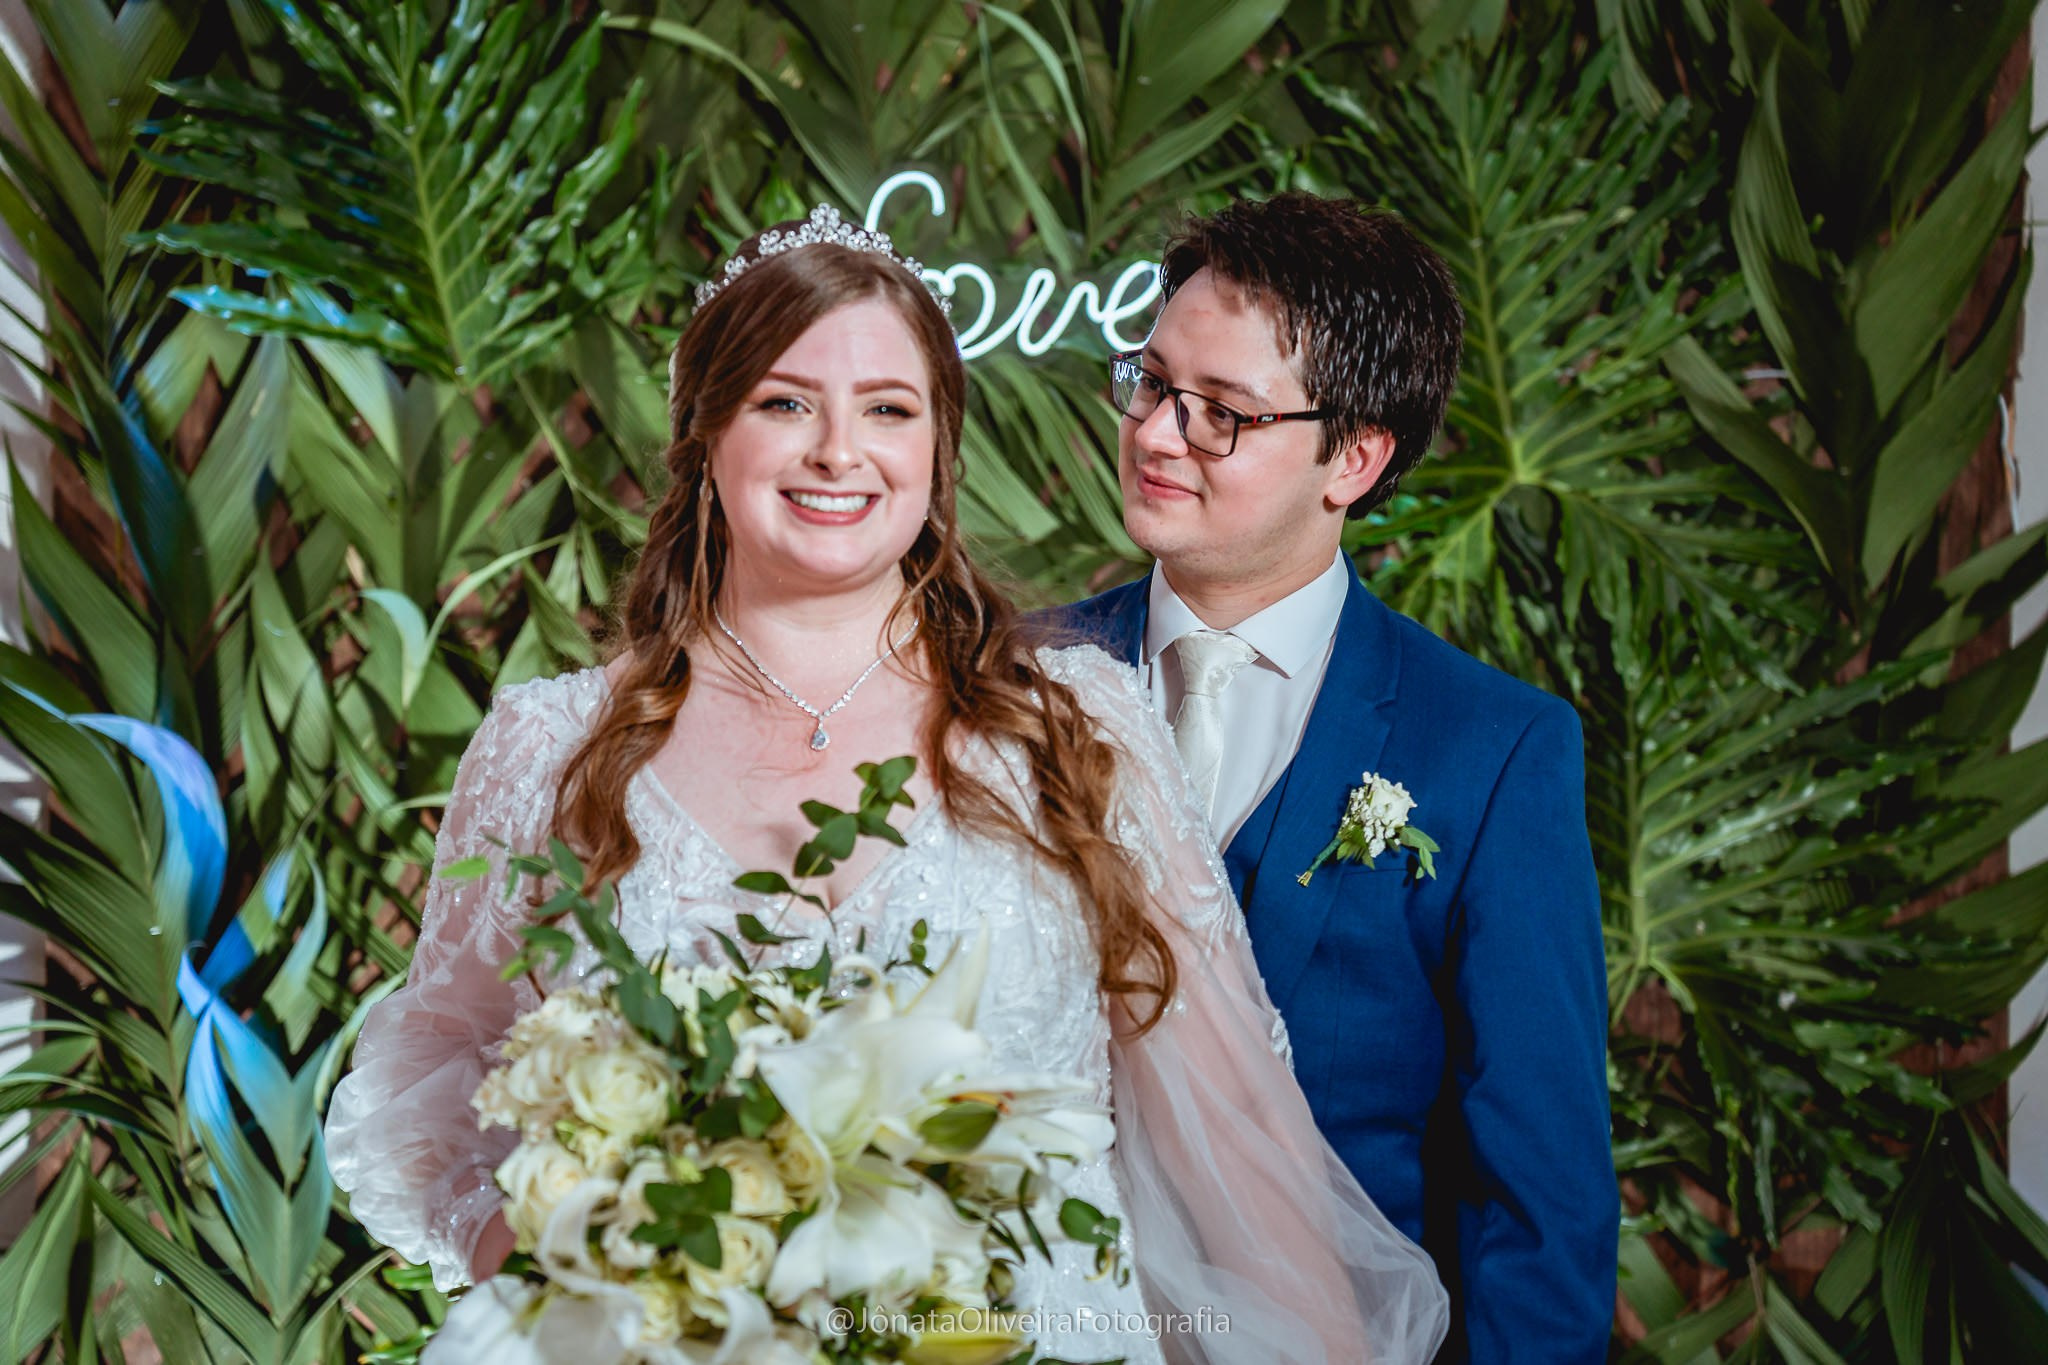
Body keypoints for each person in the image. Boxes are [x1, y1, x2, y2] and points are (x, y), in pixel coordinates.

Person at [324, 206, 1448, 1364]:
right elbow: (434, 1071)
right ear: (705, 434)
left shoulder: (1075, 730)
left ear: (935, 451)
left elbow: (1238, 1137)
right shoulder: (548, 750)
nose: (835, 451)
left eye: (887, 410)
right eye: (784, 402)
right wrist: (600, 1263)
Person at [1054, 193, 1617, 1362]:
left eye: (1223, 415)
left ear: (1352, 459)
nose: (1158, 434)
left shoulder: (1493, 750)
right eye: (1151, 384)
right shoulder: (1010, 684)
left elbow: (1538, 1198)